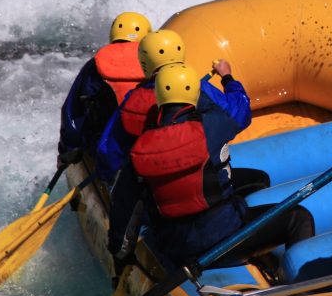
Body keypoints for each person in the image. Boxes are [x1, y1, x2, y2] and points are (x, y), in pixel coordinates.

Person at [107, 63, 314, 271]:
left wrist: (120, 256)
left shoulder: (139, 151)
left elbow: (124, 210)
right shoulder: (212, 125)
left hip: (175, 250)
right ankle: (302, 284)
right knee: (299, 217)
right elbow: (240, 110)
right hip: (224, 240)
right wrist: (227, 79)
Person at [93, 28, 259, 189]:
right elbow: (240, 115)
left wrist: (108, 179)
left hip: (156, 190)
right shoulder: (199, 88)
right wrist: (227, 78)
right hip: (206, 184)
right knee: (259, 179)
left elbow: (109, 149)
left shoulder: (134, 99)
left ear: (144, 62)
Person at [58, 11, 151, 168]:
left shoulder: (95, 66)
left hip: (104, 149)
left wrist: (67, 151)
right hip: (148, 146)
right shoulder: (153, 64)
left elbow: (72, 114)